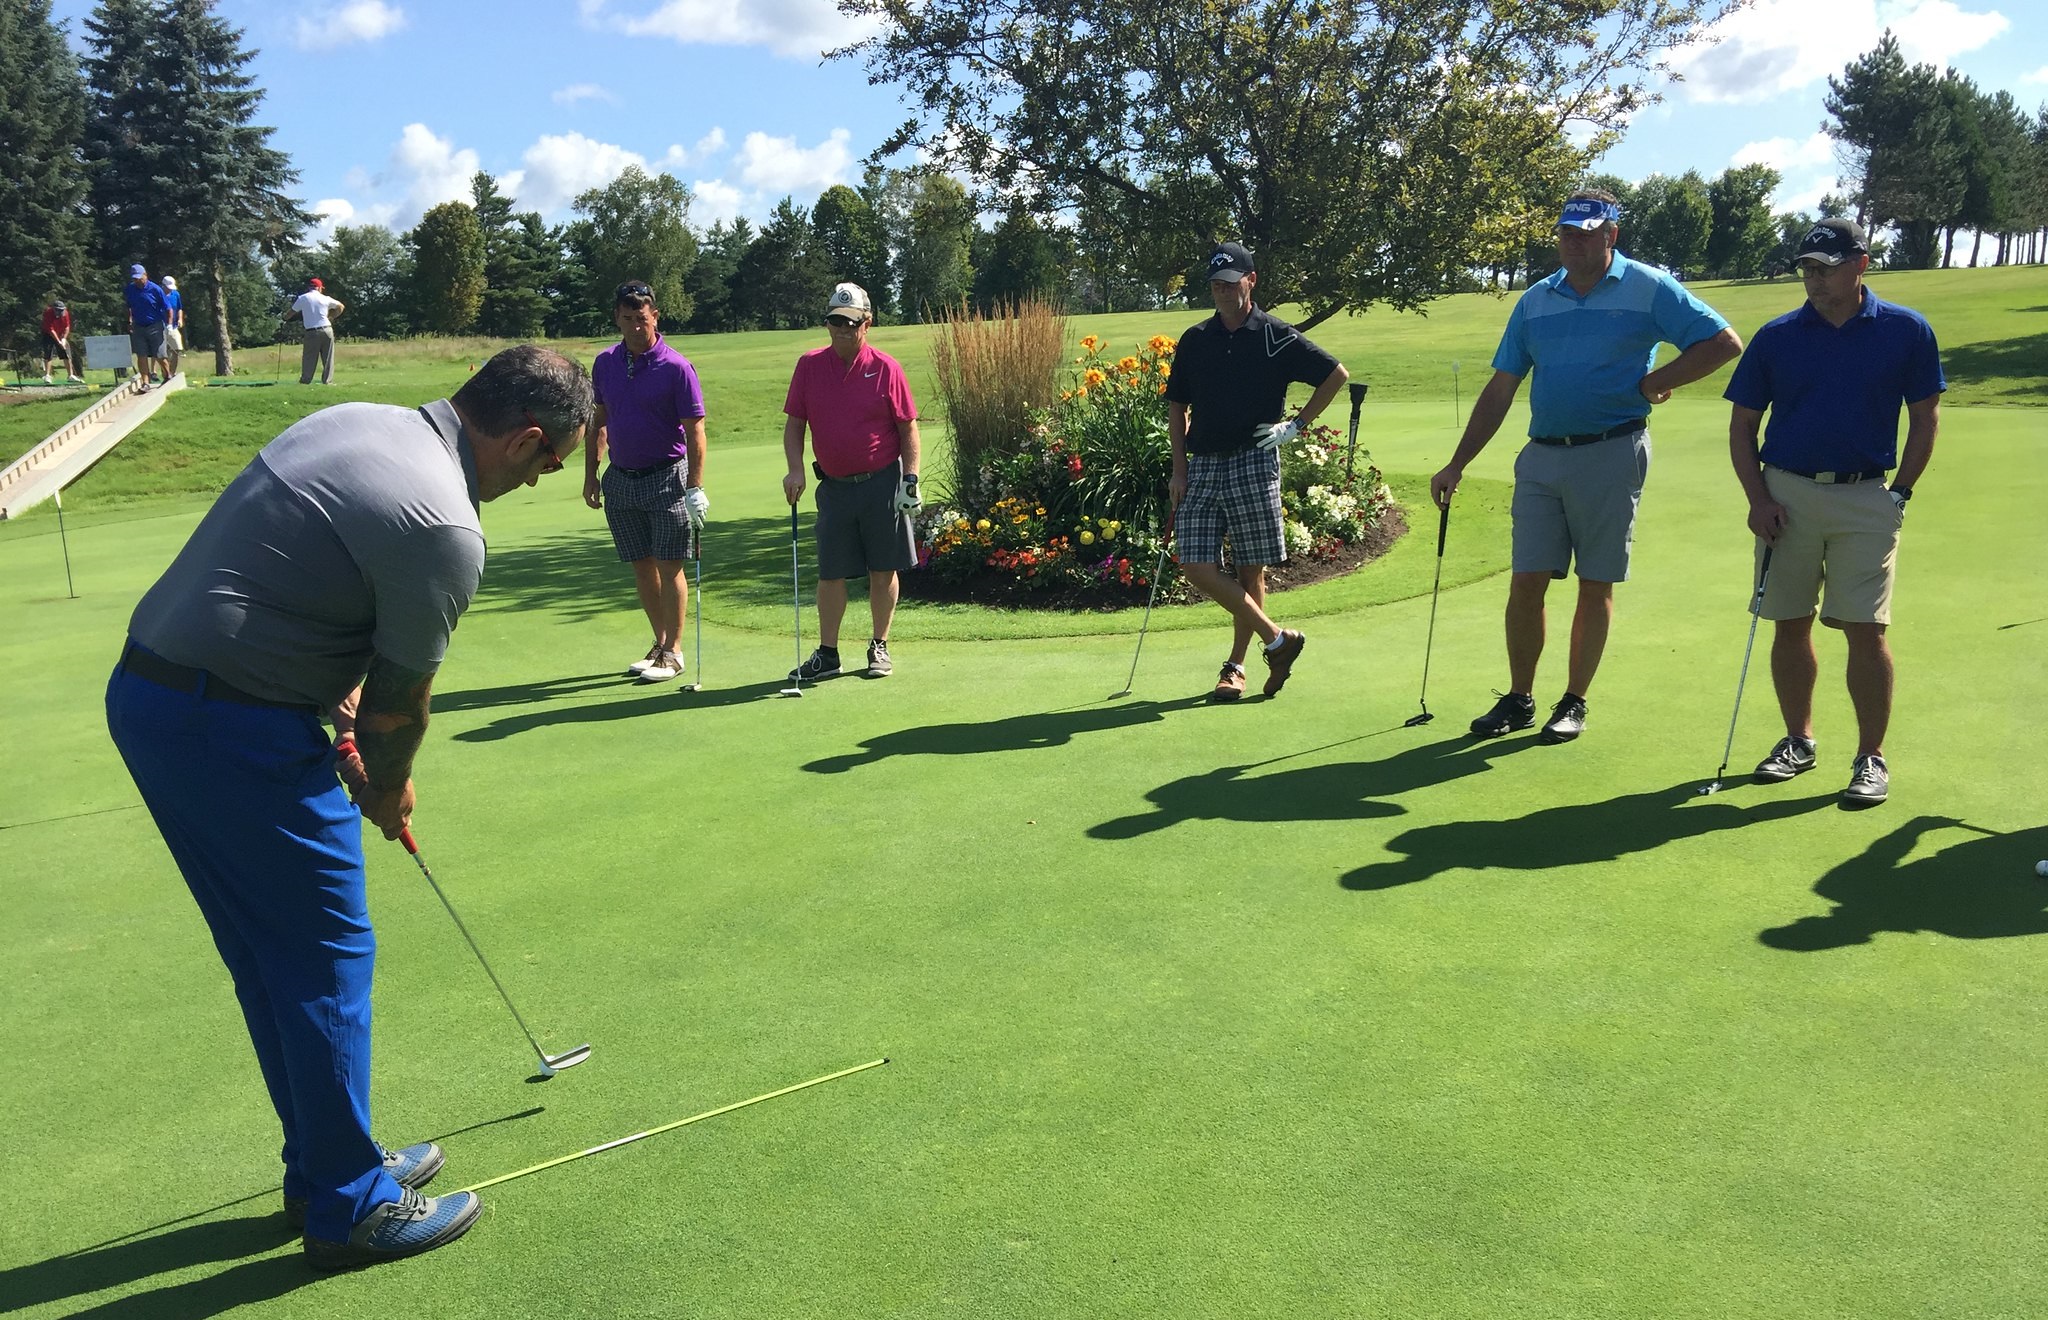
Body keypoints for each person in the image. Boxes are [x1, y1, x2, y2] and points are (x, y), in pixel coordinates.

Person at [104, 345, 591, 1270]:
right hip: (231, 728)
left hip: (155, 697)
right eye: (548, 465)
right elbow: (402, 702)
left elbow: (288, 587)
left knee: (269, 955)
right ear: (527, 438)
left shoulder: (358, 422)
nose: (541, 481)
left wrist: (342, 710)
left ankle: (330, 1162)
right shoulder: (446, 523)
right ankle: (351, 1208)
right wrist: (384, 784)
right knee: (326, 955)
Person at [1430, 190, 1743, 743]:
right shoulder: (1535, 300)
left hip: (1612, 449)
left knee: (1594, 584)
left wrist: (1658, 381)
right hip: (1543, 456)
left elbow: (1723, 342)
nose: (1574, 242)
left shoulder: (1648, 287)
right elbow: (1503, 385)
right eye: (1566, 233)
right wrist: (1458, 462)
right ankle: (1520, 697)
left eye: (1586, 232)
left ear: (1611, 235)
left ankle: (1574, 700)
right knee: (1526, 581)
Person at [1724, 218, 1942, 806]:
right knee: (1790, 622)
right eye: (1807, 269)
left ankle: (1871, 758)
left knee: (1866, 631)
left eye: (1825, 267)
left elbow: (1925, 417)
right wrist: (1759, 500)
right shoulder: (1776, 336)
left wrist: (1900, 492)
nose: (1814, 280)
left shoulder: (1906, 330)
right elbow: (1743, 426)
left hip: (1867, 495)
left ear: (1860, 264)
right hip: (1786, 494)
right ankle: (1799, 740)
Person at [1163, 242, 1344, 702]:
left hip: (1252, 460)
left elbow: (1335, 374)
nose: (1222, 292)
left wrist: (1297, 426)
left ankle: (1236, 667)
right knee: (1195, 564)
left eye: (1230, 283)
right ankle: (1278, 640)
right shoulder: (1196, 339)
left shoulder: (1275, 335)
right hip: (1202, 465)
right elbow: (1177, 405)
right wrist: (1178, 470)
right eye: (1215, 285)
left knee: (1249, 572)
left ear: (1251, 281)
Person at [781, 282, 921, 680]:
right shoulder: (809, 366)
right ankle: (828, 653)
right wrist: (794, 468)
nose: (842, 329)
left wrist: (909, 480)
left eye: (850, 322)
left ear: (867, 323)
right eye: (835, 322)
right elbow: (795, 426)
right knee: (831, 572)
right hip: (835, 486)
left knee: (883, 568)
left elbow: (908, 429)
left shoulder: (886, 368)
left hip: (881, 482)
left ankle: (879, 644)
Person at [582, 280, 710, 683]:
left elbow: (696, 431)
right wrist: (591, 474)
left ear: (655, 316)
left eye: (642, 318)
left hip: (668, 477)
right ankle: (659, 642)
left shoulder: (676, 367)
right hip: (620, 478)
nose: (636, 327)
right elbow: (598, 420)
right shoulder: (605, 363)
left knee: (670, 567)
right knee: (641, 567)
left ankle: (674, 651)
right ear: (617, 320)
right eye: (627, 319)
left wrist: (695, 486)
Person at [286, 276, 346, 384]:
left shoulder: (303, 298)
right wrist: (331, 317)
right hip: (327, 329)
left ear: (310, 287)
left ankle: (306, 380)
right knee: (328, 357)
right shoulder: (325, 298)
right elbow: (340, 306)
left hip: (311, 331)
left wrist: (284, 318)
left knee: (309, 357)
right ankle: (327, 381)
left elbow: (292, 312)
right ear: (318, 288)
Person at [125, 263, 171, 388]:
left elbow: (168, 308)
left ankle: (167, 375)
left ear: (145, 275)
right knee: (142, 355)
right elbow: (129, 306)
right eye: (134, 278)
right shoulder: (130, 289)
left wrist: (170, 325)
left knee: (160, 355)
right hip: (138, 326)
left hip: (155, 325)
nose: (137, 281)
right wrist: (129, 321)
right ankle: (145, 382)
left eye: (139, 278)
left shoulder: (155, 289)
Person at [40, 299, 80, 384]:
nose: (60, 312)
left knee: (66, 353)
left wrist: (64, 339)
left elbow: (67, 327)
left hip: (61, 333)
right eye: (58, 310)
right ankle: (47, 376)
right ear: (54, 309)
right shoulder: (48, 313)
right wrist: (58, 342)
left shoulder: (65, 313)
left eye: (61, 310)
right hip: (48, 334)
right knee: (48, 354)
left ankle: (70, 375)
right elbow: (51, 330)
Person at [162, 274, 185, 377]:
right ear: (163, 286)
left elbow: (179, 308)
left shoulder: (175, 294)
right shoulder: (158, 294)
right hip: (161, 326)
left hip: (174, 326)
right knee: (163, 352)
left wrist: (180, 319)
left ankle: (173, 372)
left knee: (176, 349)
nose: (170, 290)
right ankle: (166, 374)